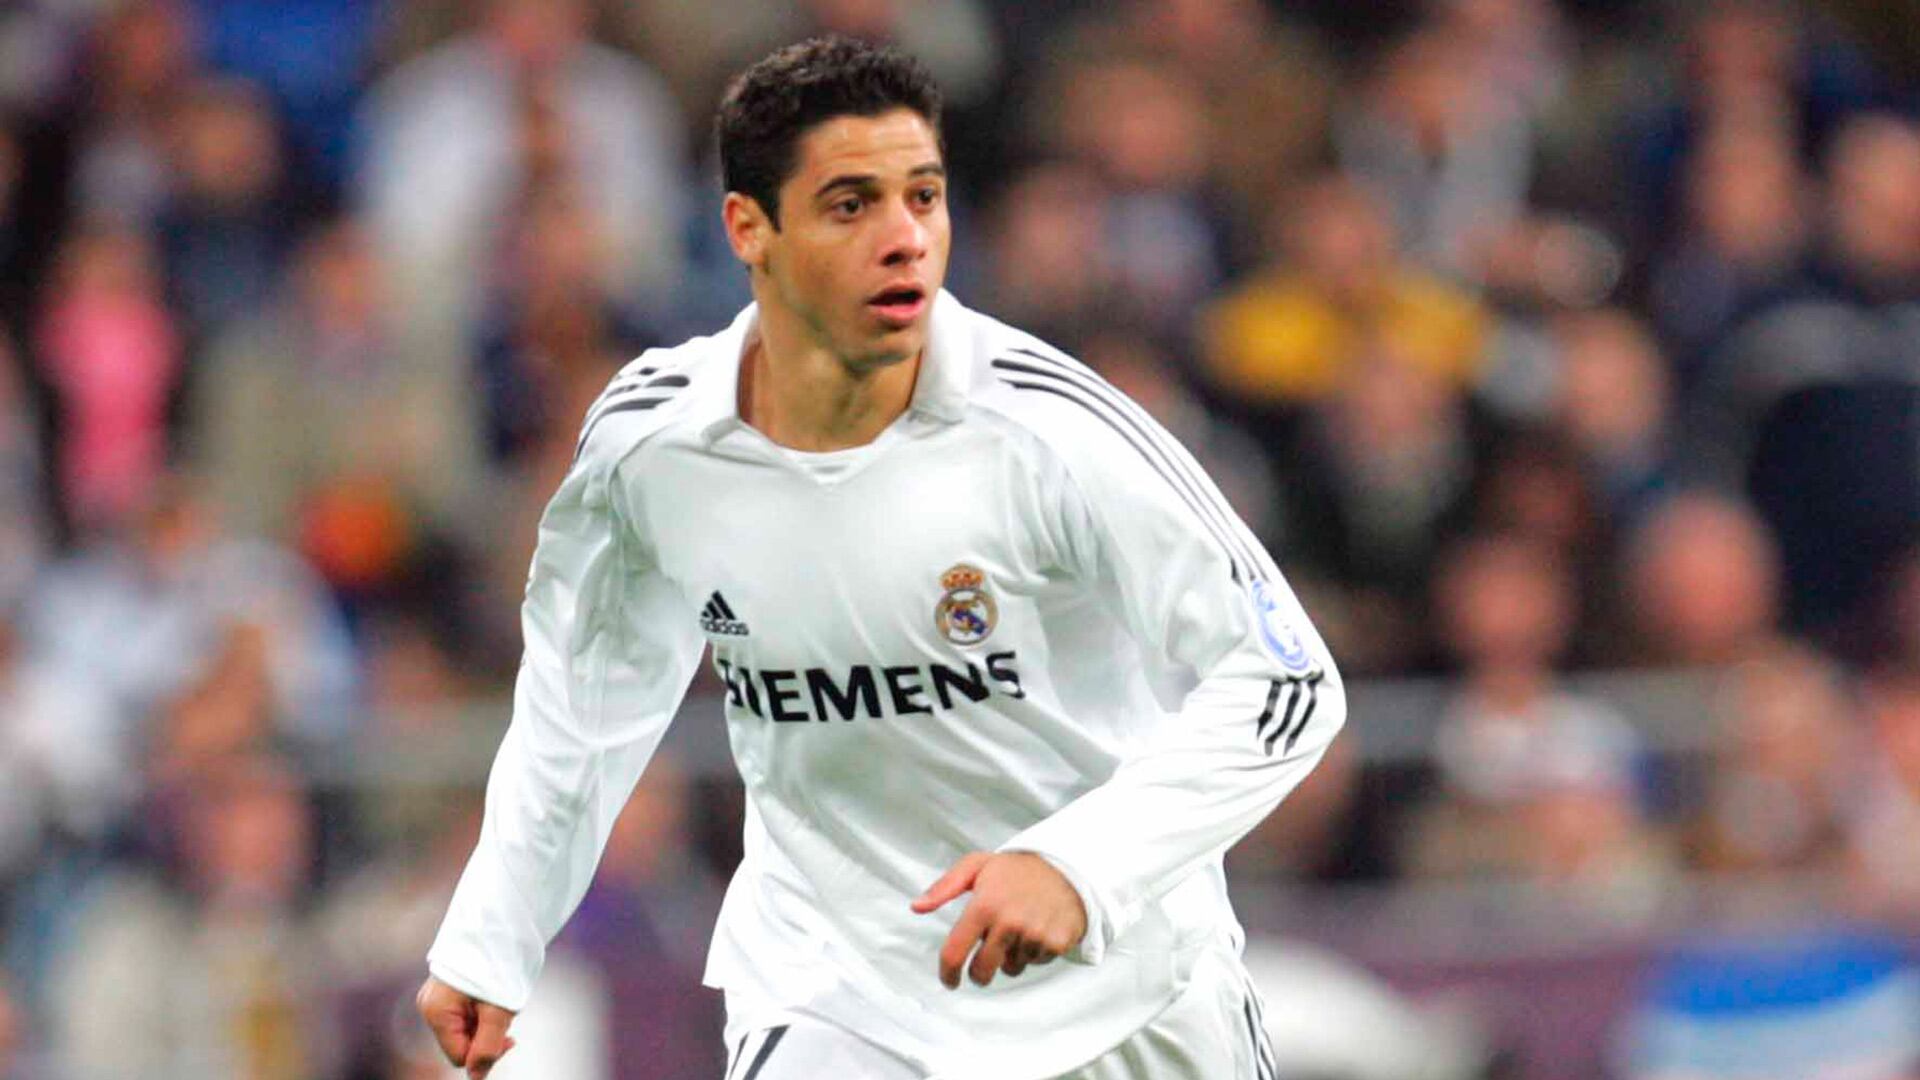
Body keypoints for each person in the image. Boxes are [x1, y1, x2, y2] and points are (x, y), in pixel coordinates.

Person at [417, 36, 1344, 1080]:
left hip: (1124, 996)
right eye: (852, 204)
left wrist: (1081, 865)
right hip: (839, 999)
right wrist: (493, 938)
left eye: (925, 197)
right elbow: (583, 702)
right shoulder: (656, 443)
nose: (905, 239)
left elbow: (1291, 681)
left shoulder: (1049, 428)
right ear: (748, 230)